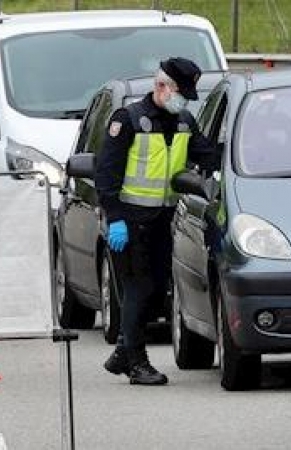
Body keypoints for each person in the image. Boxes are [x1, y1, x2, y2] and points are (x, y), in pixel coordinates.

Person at [95, 57, 217, 386]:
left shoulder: (184, 123)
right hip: (130, 222)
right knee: (138, 288)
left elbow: (208, 156)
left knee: (155, 291)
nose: (184, 100)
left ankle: (123, 351)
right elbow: (106, 174)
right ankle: (135, 362)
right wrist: (115, 219)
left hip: (163, 220)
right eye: (180, 92)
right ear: (161, 87)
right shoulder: (129, 120)